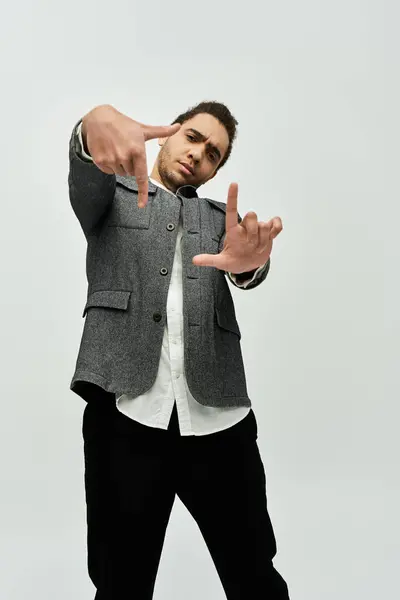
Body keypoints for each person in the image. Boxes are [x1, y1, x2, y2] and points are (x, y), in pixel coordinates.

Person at [68, 101, 289, 599]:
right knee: (119, 582)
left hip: (218, 421)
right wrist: (88, 129)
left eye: (213, 153)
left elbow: (245, 265)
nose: (198, 154)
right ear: (167, 136)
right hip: (126, 414)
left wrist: (251, 266)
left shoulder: (217, 219)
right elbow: (84, 167)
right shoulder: (110, 196)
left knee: (255, 575)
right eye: (193, 137)